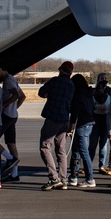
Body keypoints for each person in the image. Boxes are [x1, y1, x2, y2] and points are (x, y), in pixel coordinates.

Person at [38, 61, 75, 190]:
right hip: (64, 119)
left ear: (61, 70)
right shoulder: (71, 85)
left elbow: (41, 92)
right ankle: (63, 179)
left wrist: (48, 94)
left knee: (45, 146)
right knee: (61, 150)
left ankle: (54, 178)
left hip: (53, 118)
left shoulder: (55, 81)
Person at [0, 65, 26, 182]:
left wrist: (5, 105)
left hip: (7, 116)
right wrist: (14, 108)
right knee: (11, 144)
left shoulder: (8, 81)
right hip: (13, 116)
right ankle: (14, 174)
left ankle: (10, 159)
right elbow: (23, 96)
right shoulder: (12, 79)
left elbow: (17, 95)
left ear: (0, 69)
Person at [68, 73, 97, 188]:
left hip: (81, 126)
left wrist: (70, 128)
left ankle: (90, 179)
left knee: (83, 153)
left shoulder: (77, 96)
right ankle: (74, 176)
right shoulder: (89, 94)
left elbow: (74, 114)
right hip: (89, 124)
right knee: (77, 151)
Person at [91, 73, 111, 176]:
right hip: (95, 119)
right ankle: (88, 164)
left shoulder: (110, 92)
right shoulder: (93, 92)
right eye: (102, 78)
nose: (104, 80)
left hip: (106, 120)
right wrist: (95, 107)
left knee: (104, 145)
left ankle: (101, 166)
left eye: (105, 79)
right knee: (92, 144)